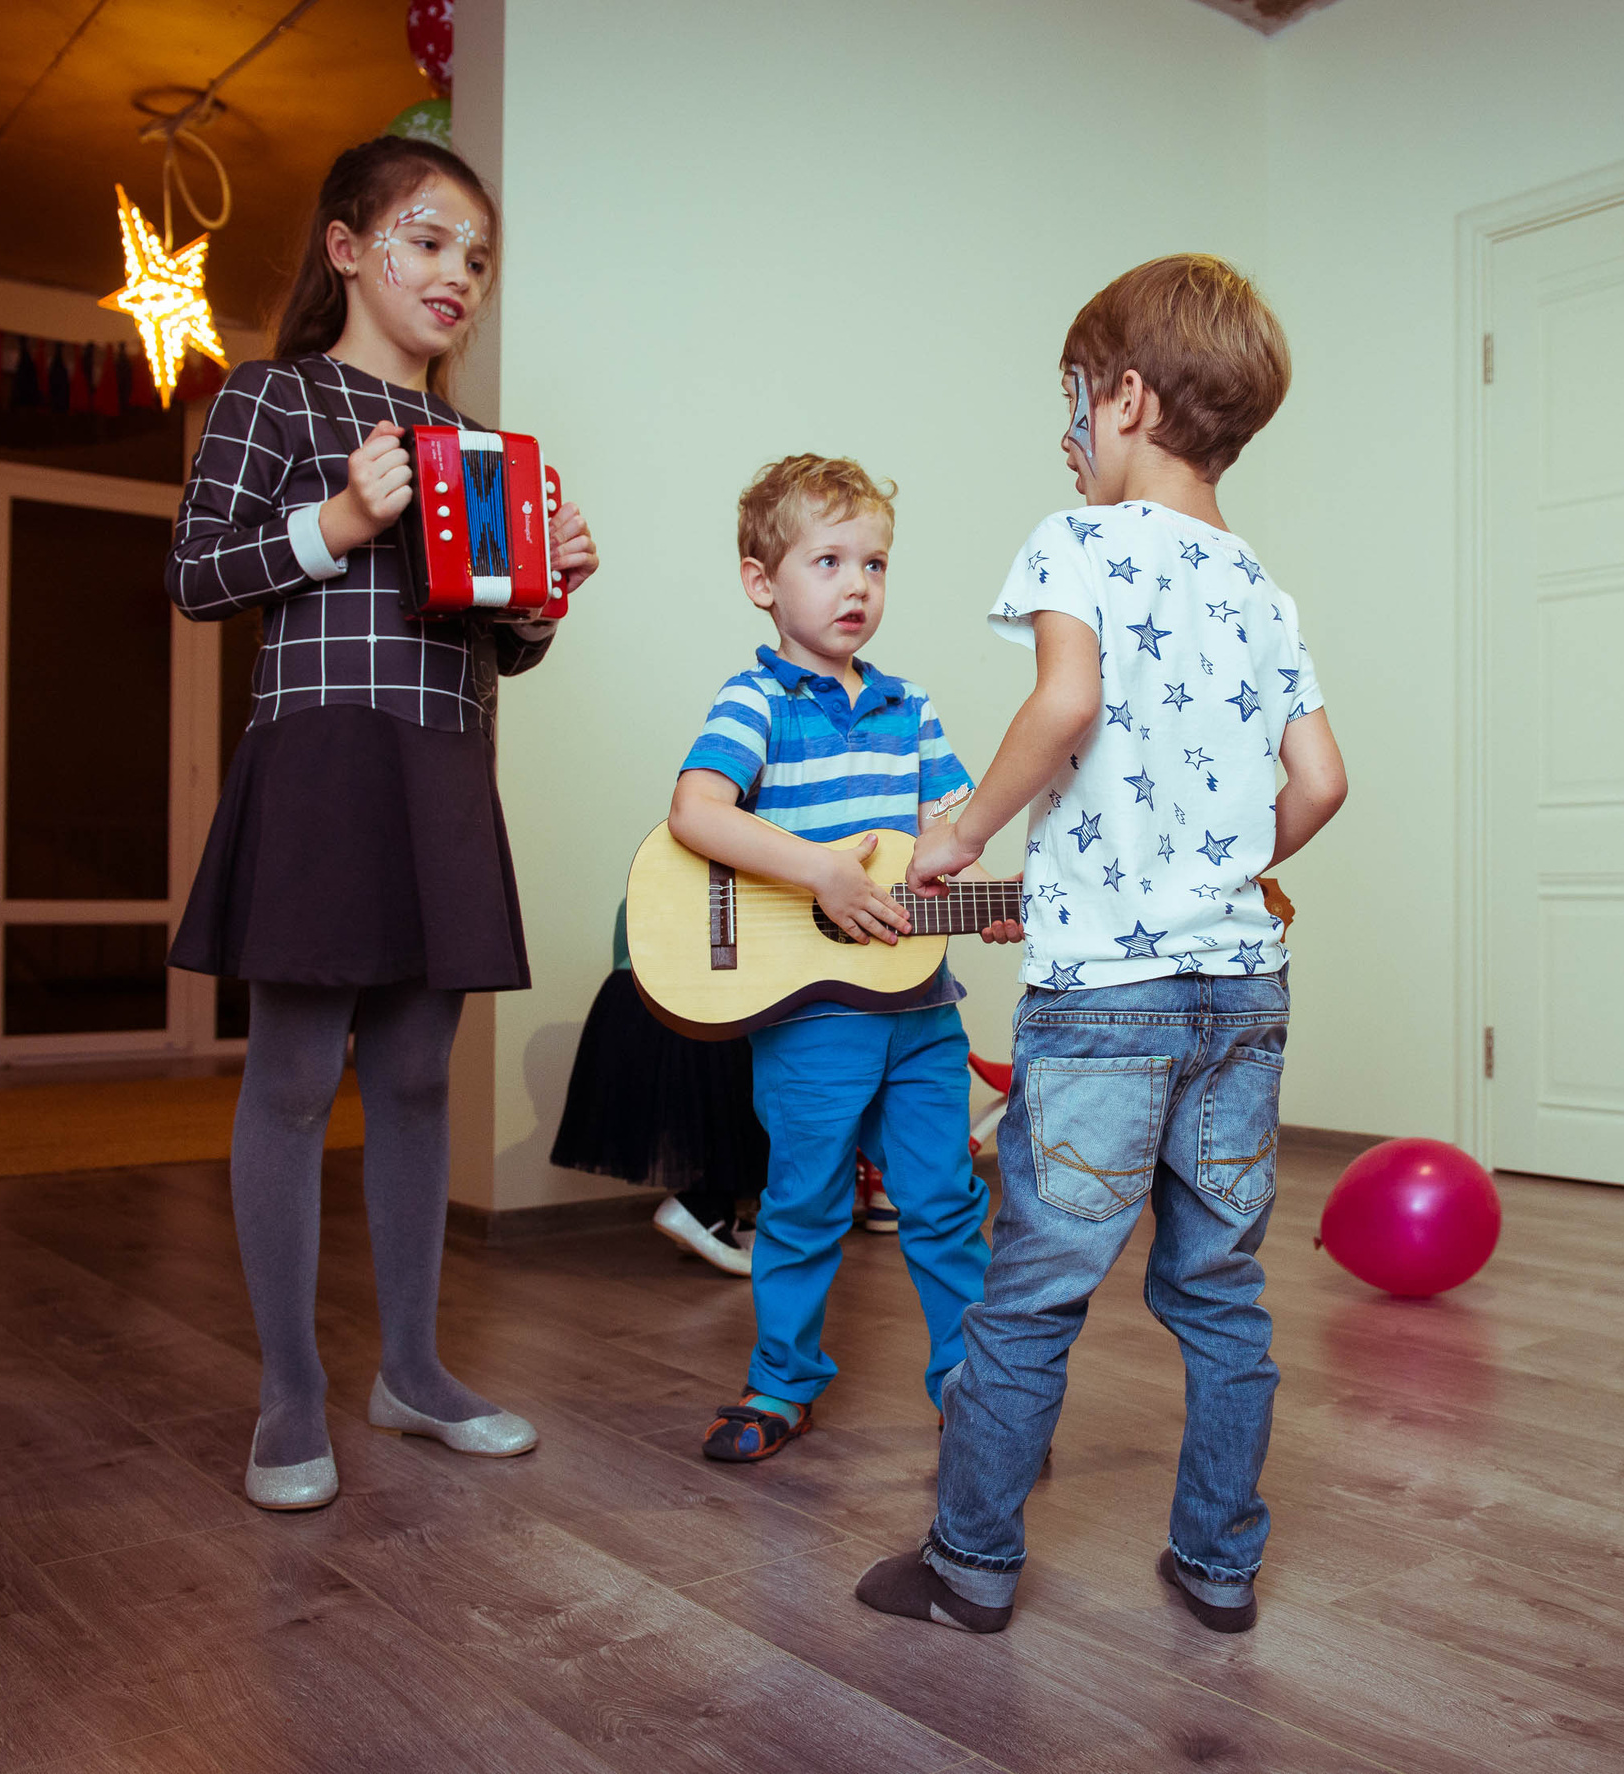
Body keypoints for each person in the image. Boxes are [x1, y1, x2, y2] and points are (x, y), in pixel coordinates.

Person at [856, 255, 1348, 1633]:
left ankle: (968, 1566)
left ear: (1124, 398)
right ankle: (1219, 1566)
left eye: (1071, 401)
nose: (1064, 433)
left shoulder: (1079, 539)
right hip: (1242, 990)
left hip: (1106, 1007)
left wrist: (960, 832)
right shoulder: (1261, 587)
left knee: (1030, 1294)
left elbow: (1067, 702)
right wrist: (1217, 873)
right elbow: (1320, 785)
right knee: (1221, 1294)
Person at [165, 137, 598, 1511]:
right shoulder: (275, 394)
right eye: (427, 238)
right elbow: (197, 573)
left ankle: (410, 1369)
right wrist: (342, 518)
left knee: (416, 1076)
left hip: (441, 769)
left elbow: (495, 643)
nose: (457, 271)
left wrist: (544, 592)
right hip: (320, 761)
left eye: (478, 254)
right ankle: (290, 1392)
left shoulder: (478, 449)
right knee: (293, 1079)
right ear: (348, 248)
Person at [668, 455, 1020, 1462]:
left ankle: (970, 1388)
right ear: (761, 581)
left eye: (873, 563)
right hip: (809, 1018)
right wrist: (822, 873)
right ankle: (781, 1381)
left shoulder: (911, 708)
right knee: (805, 1202)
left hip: (919, 1012)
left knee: (944, 1201)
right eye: (827, 561)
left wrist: (989, 896)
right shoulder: (756, 700)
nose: (856, 584)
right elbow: (695, 812)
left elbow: (949, 834)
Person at [551, 899, 764, 1275]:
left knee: (721, 1096)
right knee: (747, 1092)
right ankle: (699, 1207)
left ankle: (717, 1211)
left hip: (628, 997)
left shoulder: (647, 880)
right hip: (684, 993)